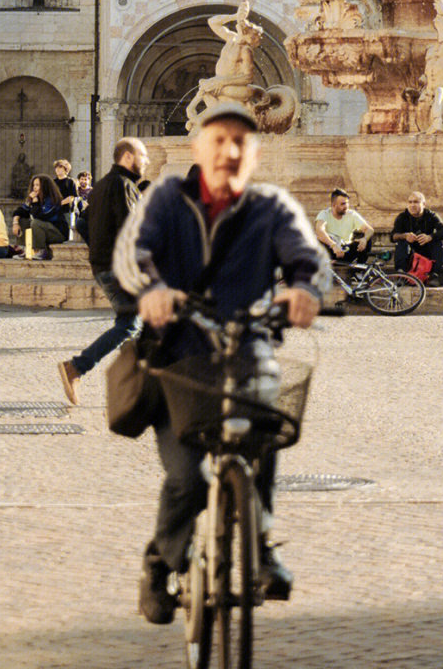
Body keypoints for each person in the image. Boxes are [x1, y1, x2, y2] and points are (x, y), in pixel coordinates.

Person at [112, 101, 330, 625]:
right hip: (179, 357)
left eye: (241, 142)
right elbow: (130, 253)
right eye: (219, 140)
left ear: (253, 153)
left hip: (248, 347)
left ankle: (263, 540)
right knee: (188, 475)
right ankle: (161, 562)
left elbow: (311, 257)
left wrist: (304, 289)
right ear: (198, 148)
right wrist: (154, 289)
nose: (230, 151)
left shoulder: (270, 207)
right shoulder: (167, 199)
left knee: (266, 430)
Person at [57, 138, 148, 406]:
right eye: (144, 156)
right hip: (119, 267)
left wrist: (98, 250)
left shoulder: (99, 189)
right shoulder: (123, 185)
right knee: (130, 324)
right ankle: (76, 367)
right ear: (129, 157)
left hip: (104, 265)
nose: (147, 161)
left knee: (135, 326)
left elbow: (83, 225)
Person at [11, 172, 69, 259]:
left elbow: (41, 216)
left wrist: (35, 202)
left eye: (37, 185)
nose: (34, 188)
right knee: (23, 220)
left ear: (45, 187)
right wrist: (15, 223)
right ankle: (24, 249)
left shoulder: (52, 200)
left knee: (35, 222)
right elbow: (21, 211)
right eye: (34, 185)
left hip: (58, 233)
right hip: (44, 230)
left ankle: (41, 251)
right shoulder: (36, 199)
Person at [391, 192, 443, 283]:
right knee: (401, 242)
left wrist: (430, 237)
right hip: (410, 252)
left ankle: (434, 275)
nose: (412, 205)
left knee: (437, 243)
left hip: (426, 250)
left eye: (416, 202)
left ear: (423, 204)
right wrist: (405, 236)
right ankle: (401, 275)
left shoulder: (431, 215)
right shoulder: (402, 217)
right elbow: (392, 236)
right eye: (410, 202)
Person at [315, 188, 374, 264]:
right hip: (331, 250)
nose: (346, 206)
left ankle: (360, 270)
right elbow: (319, 230)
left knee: (367, 239)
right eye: (343, 204)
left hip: (346, 250)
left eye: (347, 203)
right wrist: (333, 245)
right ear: (333, 205)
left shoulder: (351, 214)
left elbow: (370, 229)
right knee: (317, 239)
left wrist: (365, 239)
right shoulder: (324, 214)